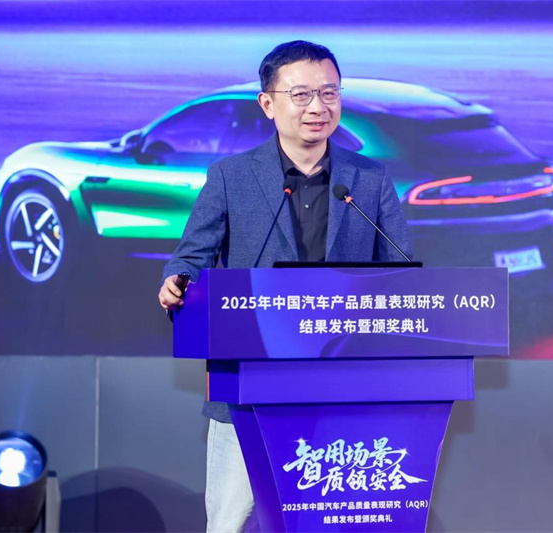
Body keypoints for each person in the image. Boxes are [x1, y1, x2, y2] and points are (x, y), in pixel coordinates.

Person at [158, 40, 412, 533]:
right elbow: (192, 254)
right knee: (231, 520)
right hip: (248, 381)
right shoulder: (232, 177)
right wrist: (177, 280)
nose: (318, 107)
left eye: (329, 93)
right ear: (268, 103)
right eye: (301, 95)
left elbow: (399, 272)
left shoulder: (369, 179)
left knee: (332, 519)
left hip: (341, 383)